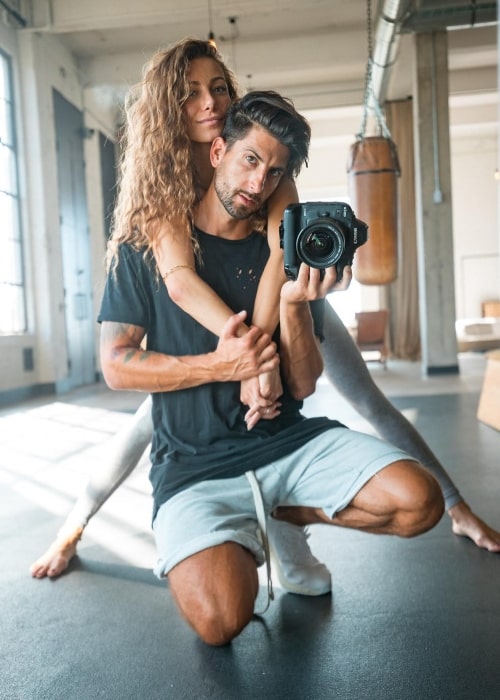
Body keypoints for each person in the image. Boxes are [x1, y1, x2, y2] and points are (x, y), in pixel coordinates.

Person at [30, 38, 500, 583]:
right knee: (145, 425)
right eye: (190, 94)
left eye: (219, 88)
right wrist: (246, 361)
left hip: (275, 298)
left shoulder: (267, 158)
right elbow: (180, 282)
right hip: (206, 319)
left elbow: (282, 254)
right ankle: (73, 526)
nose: (209, 103)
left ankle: (455, 505)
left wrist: (264, 356)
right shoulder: (159, 186)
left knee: (365, 396)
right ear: (166, 108)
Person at [97, 89, 445, 645]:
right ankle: (234, 529)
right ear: (217, 153)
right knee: (220, 621)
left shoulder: (289, 250)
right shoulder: (146, 249)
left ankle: (283, 513)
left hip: (287, 444)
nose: (258, 183)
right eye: (250, 160)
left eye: (274, 171)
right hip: (194, 466)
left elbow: (303, 383)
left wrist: (292, 303)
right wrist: (221, 366)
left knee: (420, 503)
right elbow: (116, 366)